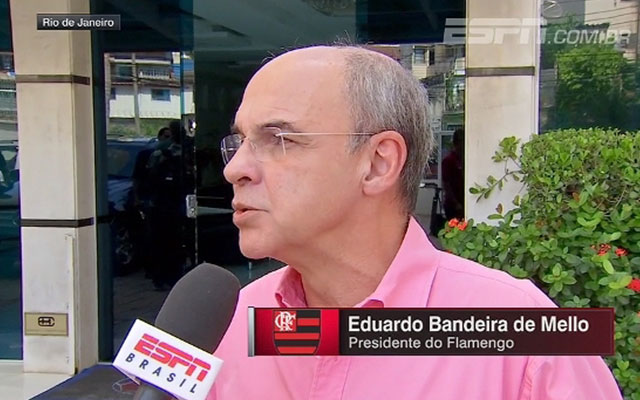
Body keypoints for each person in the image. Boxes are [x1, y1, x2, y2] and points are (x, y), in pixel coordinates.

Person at [208, 45, 623, 399]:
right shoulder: (233, 319)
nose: (236, 169)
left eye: (278, 139)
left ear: (377, 163)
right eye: (240, 141)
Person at [442, 127, 465, 220]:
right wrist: (456, 203)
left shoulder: (464, 160)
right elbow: (446, 184)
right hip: (453, 204)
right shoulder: (449, 160)